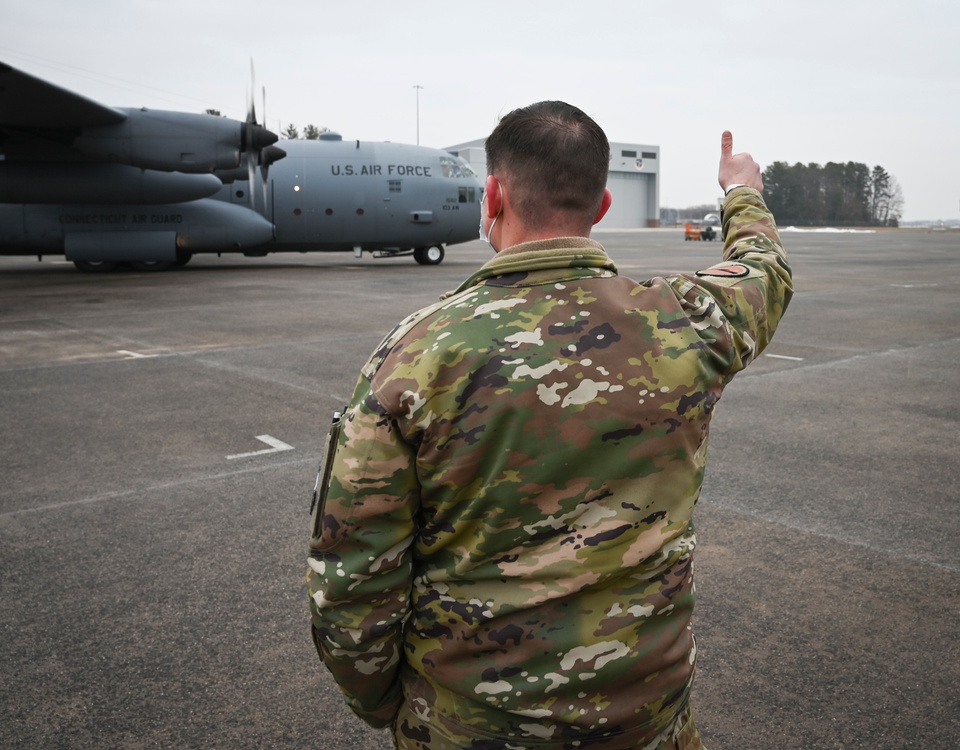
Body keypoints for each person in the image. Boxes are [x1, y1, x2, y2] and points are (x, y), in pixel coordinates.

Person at [307, 101, 793, 749]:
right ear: (601, 207)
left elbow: (353, 578)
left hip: (469, 726)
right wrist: (741, 191)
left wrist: (396, 707)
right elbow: (764, 271)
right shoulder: (688, 321)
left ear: (493, 196)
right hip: (646, 720)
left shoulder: (417, 353)